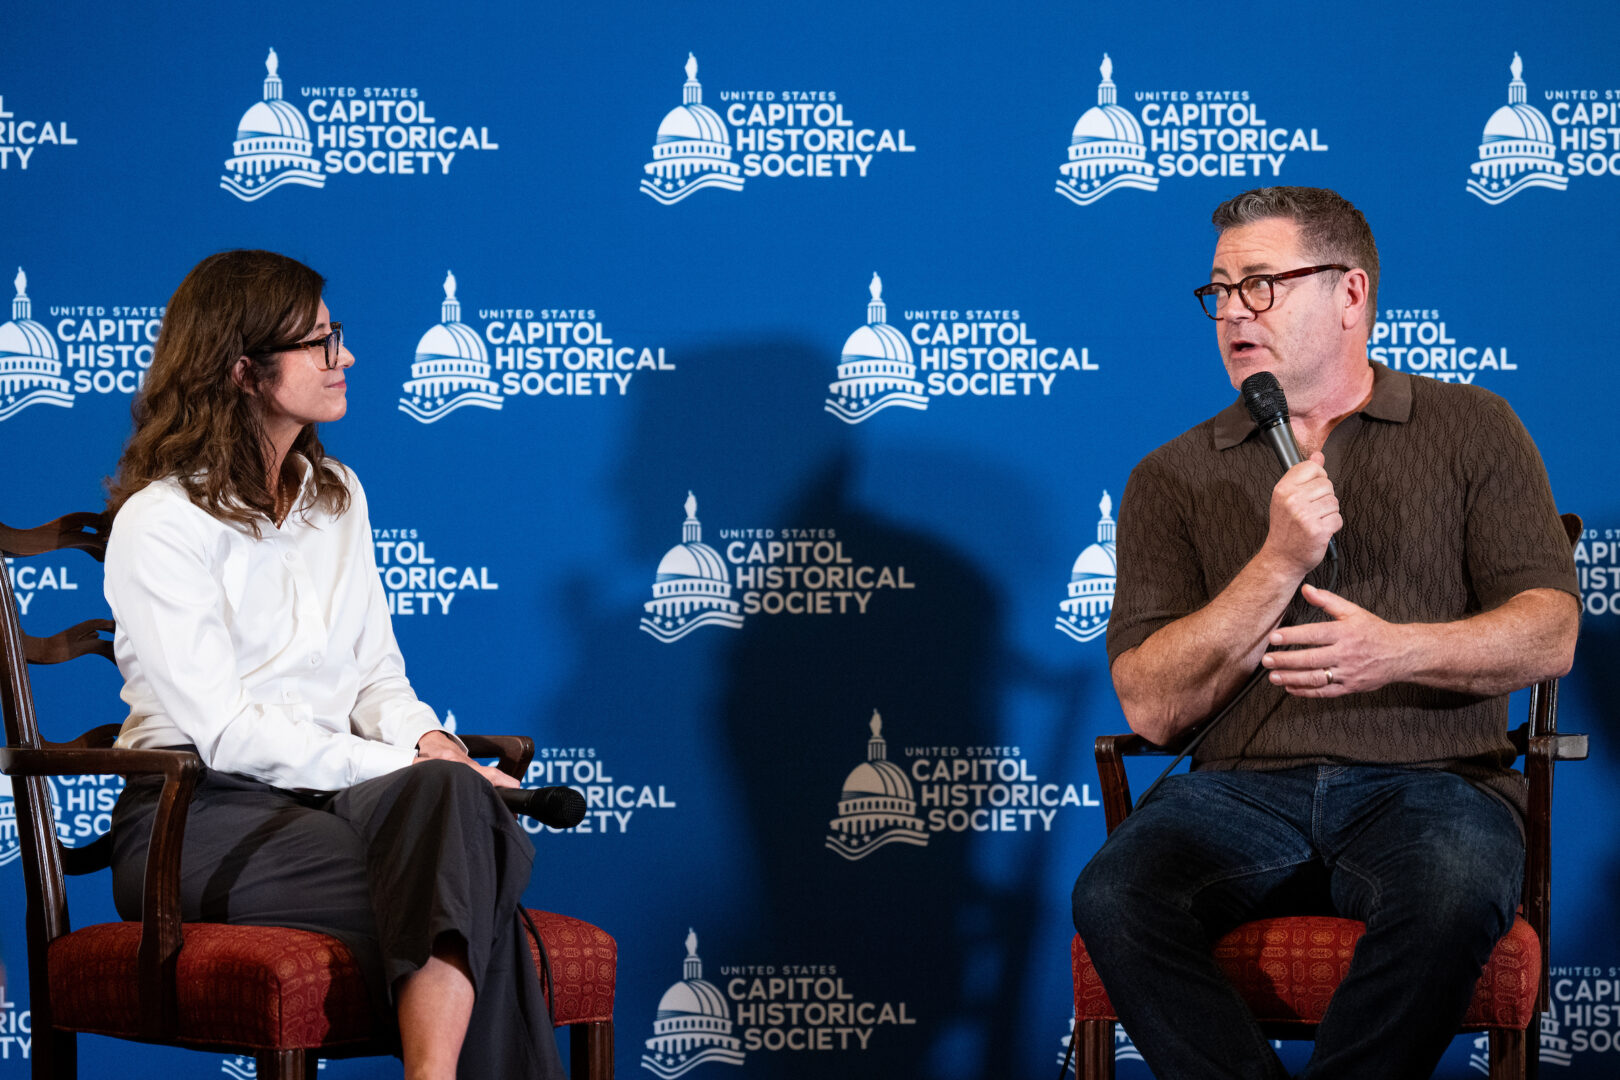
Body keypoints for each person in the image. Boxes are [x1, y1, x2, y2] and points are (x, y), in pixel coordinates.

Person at [1070, 187, 1579, 1079]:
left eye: (1262, 284)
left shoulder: (1474, 428)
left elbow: (1550, 633)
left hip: (1434, 785)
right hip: (1236, 797)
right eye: (1220, 290)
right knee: (1115, 892)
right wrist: (1276, 561)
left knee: (1453, 889)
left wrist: (1397, 650)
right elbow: (1150, 708)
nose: (1234, 312)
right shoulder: (1171, 474)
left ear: (1350, 294)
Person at [103, 250, 565, 1080]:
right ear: (243, 370)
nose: (344, 355)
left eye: (335, 334)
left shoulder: (337, 496)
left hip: (327, 806)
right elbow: (229, 733)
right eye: (318, 342)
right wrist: (408, 769)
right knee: (469, 882)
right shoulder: (161, 523)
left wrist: (430, 744)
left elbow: (376, 677)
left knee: (452, 813)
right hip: (190, 821)